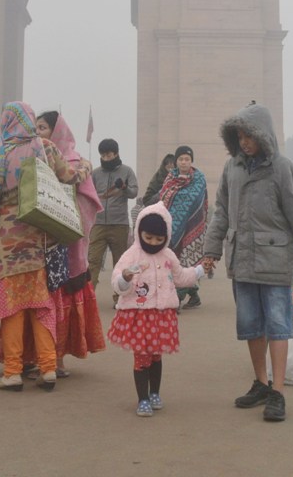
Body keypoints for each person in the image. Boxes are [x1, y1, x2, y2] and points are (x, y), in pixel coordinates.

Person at [203, 102, 293, 422]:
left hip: (274, 262)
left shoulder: (283, 169)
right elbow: (221, 213)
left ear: (264, 135)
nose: (244, 141)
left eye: (250, 135)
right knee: (250, 326)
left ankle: (279, 391)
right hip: (242, 260)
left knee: (278, 327)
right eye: (240, 135)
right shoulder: (231, 168)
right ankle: (261, 382)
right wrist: (211, 249)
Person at [0, 101, 80, 393]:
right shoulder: (45, 148)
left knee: (12, 309)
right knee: (39, 307)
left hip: (6, 249)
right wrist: (85, 168)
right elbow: (70, 178)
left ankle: (12, 372)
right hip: (37, 245)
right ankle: (47, 369)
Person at [108, 201, 205, 417]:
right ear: (139, 232)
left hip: (162, 316)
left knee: (156, 357)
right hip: (139, 315)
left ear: (166, 237)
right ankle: (142, 398)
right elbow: (116, 281)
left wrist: (198, 271)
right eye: (148, 237)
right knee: (142, 357)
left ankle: (155, 393)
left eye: (159, 239)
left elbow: (180, 278)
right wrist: (124, 280)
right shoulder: (131, 255)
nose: (153, 242)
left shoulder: (168, 255)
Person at [35, 111, 105, 376]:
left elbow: (87, 205)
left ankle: (58, 358)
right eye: (36, 127)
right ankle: (36, 356)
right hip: (37, 243)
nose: (37, 132)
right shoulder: (32, 158)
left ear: (56, 132)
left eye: (42, 127)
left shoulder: (76, 162)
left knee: (60, 299)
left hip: (65, 245)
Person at [88, 138, 138, 304]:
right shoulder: (95, 174)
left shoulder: (127, 171)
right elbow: (88, 194)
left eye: (109, 154)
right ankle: (88, 298)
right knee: (93, 261)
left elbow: (134, 193)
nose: (106, 158)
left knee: (120, 262)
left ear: (116, 153)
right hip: (98, 223)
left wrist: (123, 187)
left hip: (119, 224)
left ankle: (120, 297)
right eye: (103, 155)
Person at [159, 145, 208, 309]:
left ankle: (177, 298)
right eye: (181, 159)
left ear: (191, 161)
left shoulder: (199, 178)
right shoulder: (169, 179)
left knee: (187, 261)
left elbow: (200, 202)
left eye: (187, 159)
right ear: (176, 161)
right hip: (171, 227)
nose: (184, 162)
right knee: (175, 261)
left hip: (193, 227)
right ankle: (193, 294)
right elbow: (164, 198)